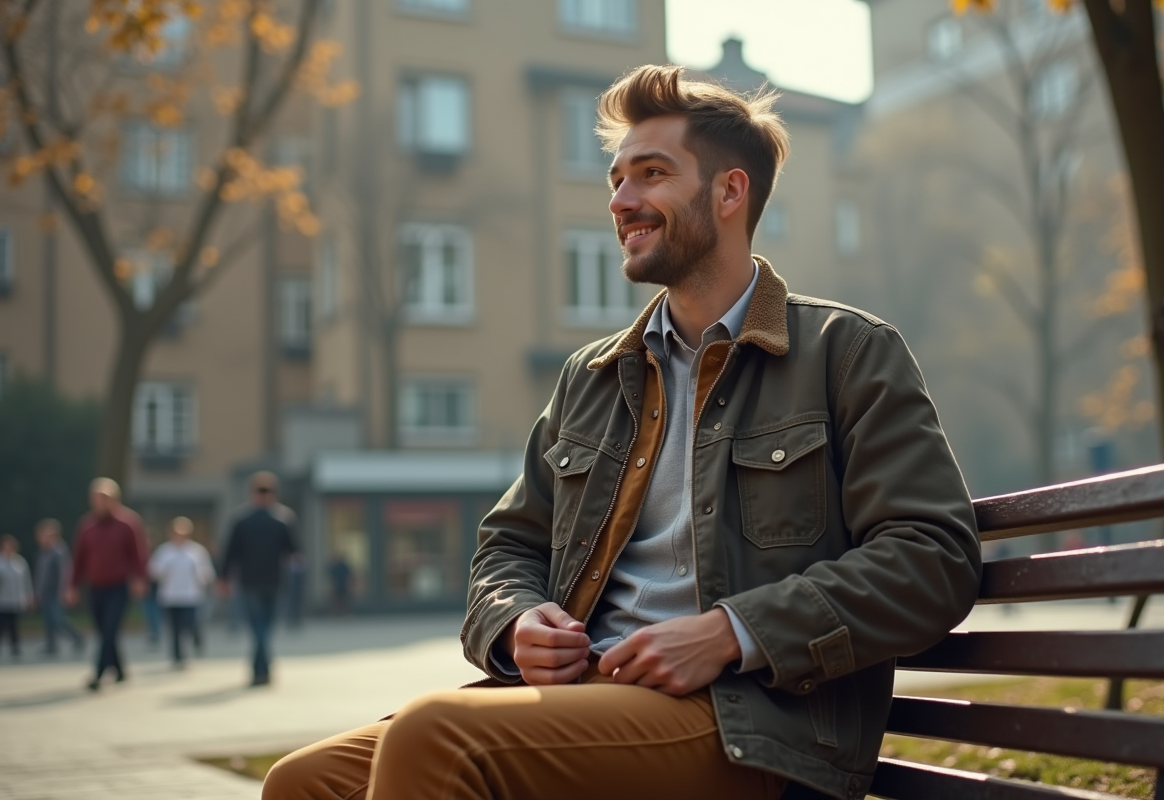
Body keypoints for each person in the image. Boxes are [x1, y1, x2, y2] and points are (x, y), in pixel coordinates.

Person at [265, 66, 981, 800]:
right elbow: (508, 545)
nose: (620, 201)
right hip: (585, 699)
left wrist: (731, 631)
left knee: (435, 736)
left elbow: (933, 557)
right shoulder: (594, 375)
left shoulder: (846, 352)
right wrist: (516, 625)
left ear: (730, 192)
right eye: (615, 178)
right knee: (303, 783)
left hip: (753, 727)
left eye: (651, 174)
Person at [66, 478, 149, 691]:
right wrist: (72, 585)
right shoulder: (87, 525)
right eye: (96, 498)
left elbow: (138, 554)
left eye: (104, 498)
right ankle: (120, 669)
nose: (100, 503)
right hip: (95, 586)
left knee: (110, 628)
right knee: (104, 631)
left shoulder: (128, 522)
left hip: (118, 586)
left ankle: (99, 672)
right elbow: (79, 558)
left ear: (114, 499)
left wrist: (139, 578)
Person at [218, 471, 298, 686]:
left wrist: (223, 578)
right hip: (274, 579)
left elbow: (230, 552)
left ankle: (259, 670)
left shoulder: (242, 520)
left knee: (257, 626)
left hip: (250, 580)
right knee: (266, 626)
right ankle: (262, 669)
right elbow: (293, 551)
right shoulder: (283, 519)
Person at [148, 516, 215, 668]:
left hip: (190, 595)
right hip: (170, 596)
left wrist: (203, 581)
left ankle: (196, 638)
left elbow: (206, 573)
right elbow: (154, 571)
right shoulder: (164, 551)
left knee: (189, 623)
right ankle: (178, 657)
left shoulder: (196, 551)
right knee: (174, 628)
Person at [33, 519, 84, 656]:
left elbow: (65, 572)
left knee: (58, 618)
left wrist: (65, 590)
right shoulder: (44, 552)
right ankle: (51, 644)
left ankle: (77, 637)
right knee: (48, 619)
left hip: (56, 591)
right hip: (45, 592)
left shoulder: (59, 551)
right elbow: (40, 575)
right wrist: (37, 592)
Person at [0, 534, 33, 659]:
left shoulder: (20, 562)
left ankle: (15, 647)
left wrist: (29, 595)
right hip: (2, 599)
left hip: (16, 599)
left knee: (14, 625)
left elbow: (26, 581)